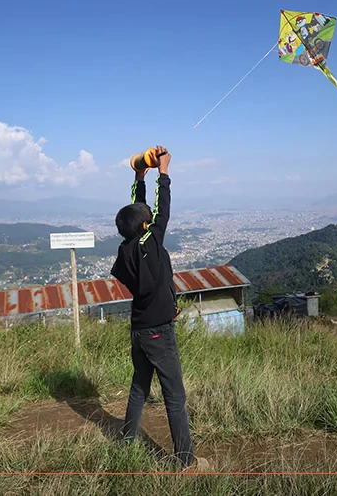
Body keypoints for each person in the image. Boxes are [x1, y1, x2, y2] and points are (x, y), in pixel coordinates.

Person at [110, 146, 209, 470]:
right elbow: (160, 212)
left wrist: (140, 176)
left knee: (139, 388)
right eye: (148, 222)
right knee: (175, 397)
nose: (152, 221)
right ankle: (186, 462)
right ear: (144, 228)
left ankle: (126, 444)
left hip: (140, 330)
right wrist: (163, 174)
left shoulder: (127, 250)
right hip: (158, 333)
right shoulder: (150, 242)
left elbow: (140, 212)